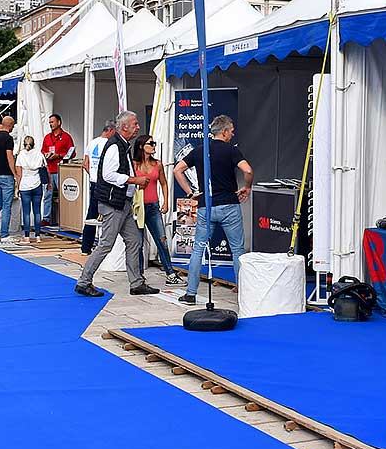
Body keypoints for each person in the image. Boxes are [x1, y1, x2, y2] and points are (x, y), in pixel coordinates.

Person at [74, 111, 160, 297]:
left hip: (122, 202)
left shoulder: (122, 145)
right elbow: (108, 175)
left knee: (135, 240)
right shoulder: (115, 146)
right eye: (135, 124)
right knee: (106, 243)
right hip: (114, 203)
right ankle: (84, 281)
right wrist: (134, 180)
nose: (138, 127)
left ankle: (136, 282)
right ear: (124, 127)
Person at [172, 114, 253, 305]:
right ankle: (243, 292)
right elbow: (248, 170)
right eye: (231, 131)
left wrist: (191, 192)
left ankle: (190, 293)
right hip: (229, 205)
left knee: (198, 249)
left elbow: (177, 170)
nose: (233, 134)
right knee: (237, 249)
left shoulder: (199, 150)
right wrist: (247, 187)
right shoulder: (232, 151)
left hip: (205, 206)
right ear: (224, 132)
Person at [132, 133, 181, 285]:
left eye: (153, 143)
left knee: (162, 239)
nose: (153, 146)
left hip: (153, 205)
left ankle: (170, 273)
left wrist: (165, 201)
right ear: (141, 146)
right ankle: (139, 276)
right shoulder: (133, 164)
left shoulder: (157, 164)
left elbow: (164, 183)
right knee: (138, 243)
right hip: (138, 207)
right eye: (150, 143)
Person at [81, 120, 117, 253]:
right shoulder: (110, 144)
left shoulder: (92, 142)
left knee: (92, 212)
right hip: (106, 183)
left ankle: (86, 246)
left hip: (94, 182)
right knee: (109, 213)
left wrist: (93, 175)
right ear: (110, 130)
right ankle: (106, 246)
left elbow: (85, 164)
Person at [40, 113, 75, 225]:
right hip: (49, 170)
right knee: (47, 195)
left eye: (52, 122)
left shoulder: (66, 137)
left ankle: (65, 219)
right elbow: (42, 151)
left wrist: (58, 155)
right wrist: (46, 154)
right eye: (49, 122)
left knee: (63, 195)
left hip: (61, 170)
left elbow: (72, 153)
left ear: (59, 122)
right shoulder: (47, 137)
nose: (51, 124)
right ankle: (46, 218)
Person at [17, 135, 46, 241]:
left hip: (25, 185)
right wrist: (50, 183)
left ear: (24, 145)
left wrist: (17, 187)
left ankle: (27, 236)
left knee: (26, 212)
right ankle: (38, 236)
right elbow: (45, 169)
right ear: (34, 144)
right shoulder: (39, 154)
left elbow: (19, 174)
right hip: (37, 184)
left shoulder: (21, 155)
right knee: (37, 211)